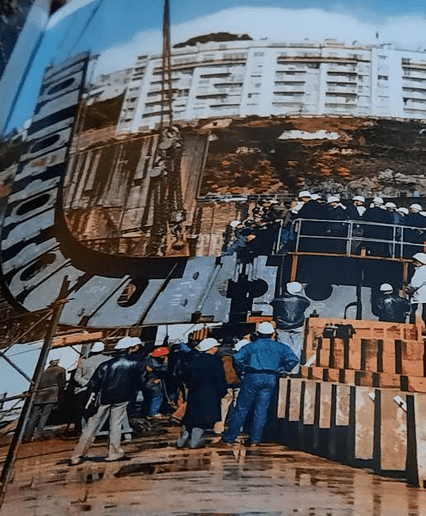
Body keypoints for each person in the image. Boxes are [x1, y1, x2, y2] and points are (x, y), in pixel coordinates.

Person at [70, 336, 146, 465]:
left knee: (91, 425)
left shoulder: (105, 365)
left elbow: (94, 384)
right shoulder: (137, 364)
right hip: (123, 397)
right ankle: (113, 453)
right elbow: (141, 381)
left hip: (103, 398)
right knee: (116, 424)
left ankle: (77, 455)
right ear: (129, 348)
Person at [221, 322, 299, 447]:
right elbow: (293, 359)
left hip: (252, 376)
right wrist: (282, 369)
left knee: (242, 408)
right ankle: (255, 439)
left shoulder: (250, 347)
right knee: (261, 410)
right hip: (270, 377)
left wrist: (242, 369)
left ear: (257, 334)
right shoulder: (280, 347)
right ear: (272, 334)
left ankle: (230, 437)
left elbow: (237, 358)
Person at [175, 337, 227, 449]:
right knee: (203, 419)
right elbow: (219, 378)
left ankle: (182, 439)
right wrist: (222, 391)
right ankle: (194, 442)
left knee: (191, 417)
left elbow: (185, 376)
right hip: (211, 393)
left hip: (195, 391)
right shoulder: (215, 360)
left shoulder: (193, 359)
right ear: (211, 348)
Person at [24, 356, 66, 442]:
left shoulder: (42, 372)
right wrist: (60, 396)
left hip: (38, 395)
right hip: (51, 394)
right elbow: (62, 384)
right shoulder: (61, 370)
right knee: (44, 416)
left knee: (33, 417)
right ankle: (38, 435)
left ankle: (27, 436)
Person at [270, 281, 311, 369]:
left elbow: (272, 302)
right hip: (298, 326)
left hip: (283, 326)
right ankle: (294, 370)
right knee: (296, 348)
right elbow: (308, 303)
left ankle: (283, 369)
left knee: (283, 348)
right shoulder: (303, 301)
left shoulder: (279, 300)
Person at [73, 341, 111, 433]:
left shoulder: (85, 362)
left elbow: (77, 377)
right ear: (103, 350)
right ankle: (101, 427)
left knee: (82, 410)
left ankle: (81, 429)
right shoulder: (108, 360)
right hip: (103, 389)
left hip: (84, 389)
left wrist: (87, 383)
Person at [407, 252, 426, 330]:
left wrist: (407, 289)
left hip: (420, 297)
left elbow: (415, 284)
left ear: (418, 262)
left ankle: (415, 331)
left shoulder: (421, 270)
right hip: (423, 297)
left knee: (416, 315)